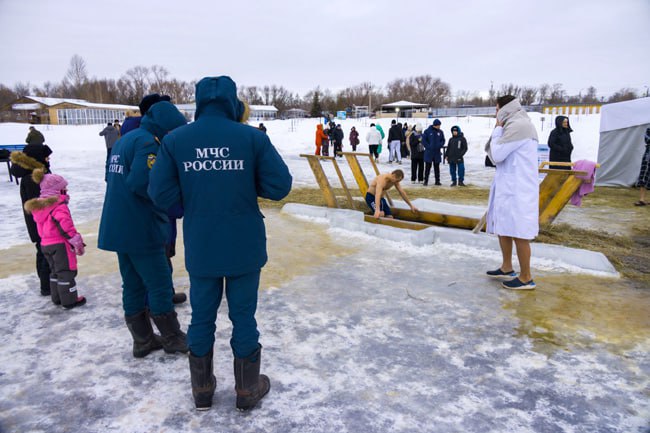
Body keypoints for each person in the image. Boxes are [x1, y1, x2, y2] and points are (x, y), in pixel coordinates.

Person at [148, 76, 292, 412]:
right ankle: (246, 389)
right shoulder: (252, 138)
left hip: (202, 243)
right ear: (232, 101)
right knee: (244, 317)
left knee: (201, 318)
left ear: (199, 101)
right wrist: (243, 182)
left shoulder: (175, 140)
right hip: (244, 244)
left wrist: (194, 202)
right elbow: (279, 186)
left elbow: (160, 194)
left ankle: (202, 389)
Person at [98, 99, 189, 359]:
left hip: (119, 225)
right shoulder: (149, 143)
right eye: (172, 131)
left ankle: (143, 340)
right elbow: (142, 183)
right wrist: (171, 202)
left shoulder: (127, 139)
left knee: (133, 284)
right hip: (140, 226)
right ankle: (172, 338)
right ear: (165, 127)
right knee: (159, 283)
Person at [485, 95, 539, 290]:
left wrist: (498, 129)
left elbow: (497, 154)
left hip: (519, 189)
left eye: (497, 108)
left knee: (519, 232)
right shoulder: (513, 124)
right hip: (509, 186)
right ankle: (507, 267)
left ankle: (526, 277)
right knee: (504, 227)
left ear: (505, 108)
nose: (495, 113)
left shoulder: (519, 126)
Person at [24, 169, 86, 309]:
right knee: (65, 272)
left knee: (54, 271)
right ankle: (69, 300)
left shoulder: (40, 206)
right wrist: (76, 241)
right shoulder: (58, 206)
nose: (66, 190)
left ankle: (57, 297)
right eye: (63, 188)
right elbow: (66, 226)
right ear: (57, 191)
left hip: (45, 244)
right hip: (60, 245)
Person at [10, 144, 54, 295]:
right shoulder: (33, 178)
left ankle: (47, 284)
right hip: (40, 224)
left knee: (42, 252)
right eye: (46, 157)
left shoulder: (36, 173)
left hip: (39, 223)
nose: (49, 160)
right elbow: (39, 204)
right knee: (44, 253)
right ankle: (46, 286)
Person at [422, 119, 445, 185]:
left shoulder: (440, 132)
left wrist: (440, 145)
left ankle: (437, 181)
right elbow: (423, 140)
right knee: (427, 168)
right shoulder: (427, 131)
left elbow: (443, 140)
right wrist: (428, 146)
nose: (439, 126)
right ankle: (425, 181)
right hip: (429, 153)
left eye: (439, 125)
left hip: (437, 153)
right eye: (438, 125)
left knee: (437, 168)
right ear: (435, 125)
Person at [634, 127, 650, 206]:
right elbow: (647, 139)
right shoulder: (649, 129)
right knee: (644, 176)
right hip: (648, 156)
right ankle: (642, 200)